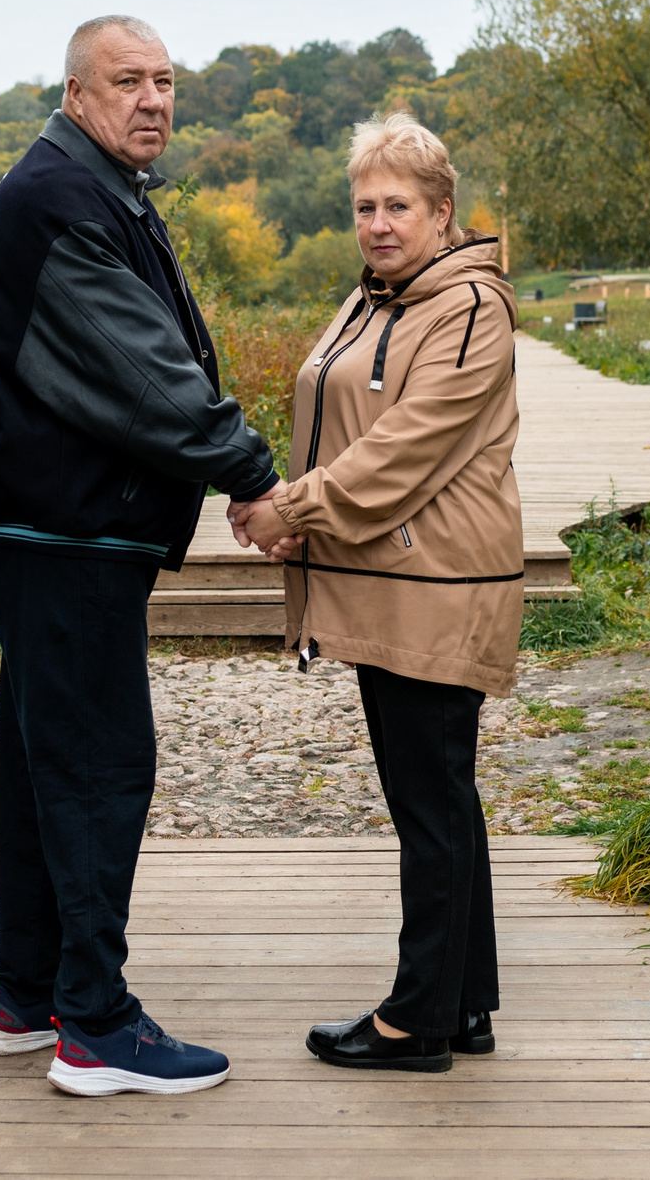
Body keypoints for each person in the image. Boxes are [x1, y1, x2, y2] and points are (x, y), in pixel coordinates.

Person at [0, 14, 286, 1098]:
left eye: (164, 82)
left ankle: (25, 997)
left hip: (42, 516)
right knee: (95, 762)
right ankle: (94, 1027)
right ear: (77, 93)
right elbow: (143, 376)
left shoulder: (85, 187)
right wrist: (253, 475)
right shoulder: (60, 200)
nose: (151, 100)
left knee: (44, 754)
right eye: (126, 81)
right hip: (61, 523)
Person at [232, 112, 521, 1074]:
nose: (379, 222)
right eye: (365, 206)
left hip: (436, 586)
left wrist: (295, 511)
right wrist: (291, 509)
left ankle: (416, 1018)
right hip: (394, 582)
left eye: (399, 204)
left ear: (444, 212)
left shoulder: (468, 308)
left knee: (430, 801)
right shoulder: (381, 297)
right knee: (436, 794)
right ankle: (464, 999)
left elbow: (406, 450)